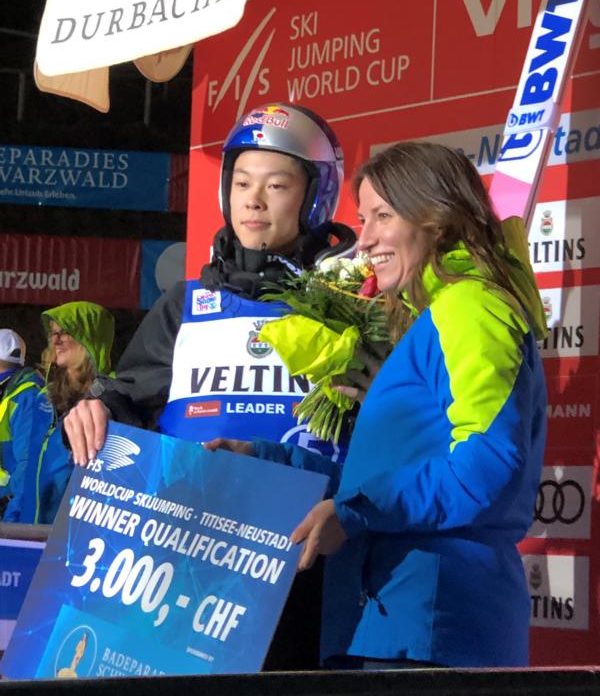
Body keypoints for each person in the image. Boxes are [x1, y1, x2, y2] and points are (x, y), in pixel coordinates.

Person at [206, 141, 548, 668]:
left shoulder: (471, 308)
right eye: (363, 219)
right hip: (390, 622)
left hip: (432, 628)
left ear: (436, 216)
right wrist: (268, 461)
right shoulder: (435, 315)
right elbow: (382, 478)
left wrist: (355, 512)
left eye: (383, 216)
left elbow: (485, 467)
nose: (363, 240)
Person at [63, 103, 356, 669]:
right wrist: (97, 406)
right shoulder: (188, 304)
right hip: (189, 569)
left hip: (304, 572)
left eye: (276, 185)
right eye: (242, 183)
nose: (254, 200)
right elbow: (131, 394)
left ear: (315, 197)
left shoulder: (349, 309)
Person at [4, 301, 114, 524]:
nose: (56, 340)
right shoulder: (43, 398)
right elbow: (28, 467)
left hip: (72, 535)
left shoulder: (113, 400)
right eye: (53, 333)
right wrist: (12, 520)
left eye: (65, 332)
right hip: (29, 529)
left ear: (89, 337)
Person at [0, 329, 45, 519]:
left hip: (7, 508)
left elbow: (28, 466)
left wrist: (12, 521)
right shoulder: (7, 392)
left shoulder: (26, 396)